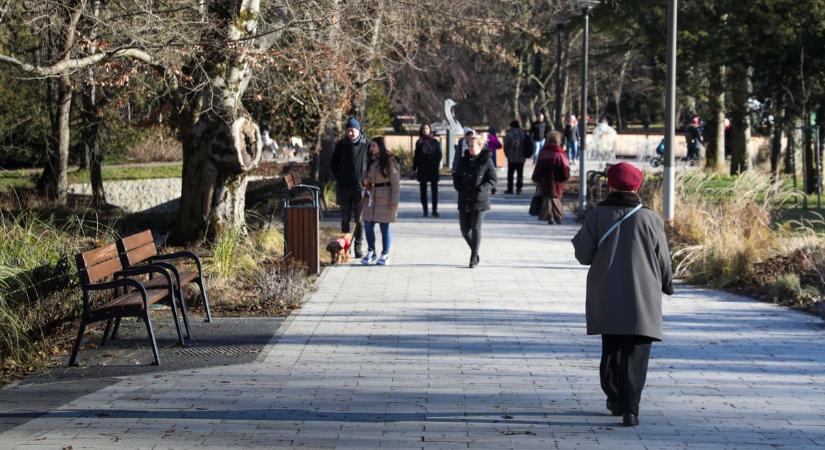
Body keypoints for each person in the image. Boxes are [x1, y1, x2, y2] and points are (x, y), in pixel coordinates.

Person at [571, 162, 674, 427]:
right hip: (643, 296)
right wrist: (667, 283)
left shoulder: (597, 215)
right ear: (637, 186)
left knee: (612, 349)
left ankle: (614, 398)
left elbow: (583, 255)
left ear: (611, 185)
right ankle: (631, 408)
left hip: (606, 293)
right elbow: (663, 258)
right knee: (636, 354)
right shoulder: (650, 218)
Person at [453, 135, 497, 268]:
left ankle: (473, 256)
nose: (470, 148)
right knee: (464, 230)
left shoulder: (487, 161)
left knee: (476, 228)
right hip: (464, 198)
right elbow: (457, 176)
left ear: (480, 146)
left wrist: (482, 189)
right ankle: (475, 251)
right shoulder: (463, 160)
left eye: (473, 145)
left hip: (479, 200)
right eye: (469, 145)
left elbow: (493, 179)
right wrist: (458, 186)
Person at [329, 116, 369, 258]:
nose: (350, 133)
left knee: (359, 219)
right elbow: (333, 163)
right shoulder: (341, 144)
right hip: (344, 187)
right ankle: (345, 247)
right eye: (348, 131)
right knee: (345, 218)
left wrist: (367, 179)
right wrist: (339, 176)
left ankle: (358, 246)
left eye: (352, 130)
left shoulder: (366, 145)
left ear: (358, 130)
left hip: (360, 187)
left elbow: (371, 163)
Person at [361, 137, 400, 266]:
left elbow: (395, 183)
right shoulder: (370, 161)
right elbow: (364, 177)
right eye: (370, 146)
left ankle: (385, 253)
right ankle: (371, 251)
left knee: (384, 227)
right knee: (367, 225)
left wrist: (394, 203)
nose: (371, 148)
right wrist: (364, 182)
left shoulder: (390, 161)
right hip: (371, 197)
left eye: (374, 146)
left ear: (380, 147)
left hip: (385, 196)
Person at [531, 131, 569, 224]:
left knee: (547, 197)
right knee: (555, 197)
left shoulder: (544, 152)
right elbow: (565, 167)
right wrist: (566, 176)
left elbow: (538, 166)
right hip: (557, 180)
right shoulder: (560, 153)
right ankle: (557, 216)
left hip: (545, 179)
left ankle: (550, 216)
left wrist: (536, 177)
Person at [412, 124, 442, 217]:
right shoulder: (419, 142)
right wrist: (414, 168)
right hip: (422, 168)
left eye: (427, 128)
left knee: (434, 191)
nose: (425, 130)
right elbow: (416, 155)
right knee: (423, 191)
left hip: (433, 168)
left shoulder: (435, 141)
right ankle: (425, 210)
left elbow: (439, 155)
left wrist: (436, 164)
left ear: (430, 129)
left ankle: (434, 210)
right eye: (424, 128)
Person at [503, 120, 528, 195]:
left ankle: (510, 189)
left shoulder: (509, 133)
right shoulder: (523, 133)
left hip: (512, 157)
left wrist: (507, 154)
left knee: (510, 174)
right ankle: (519, 188)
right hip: (521, 157)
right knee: (520, 173)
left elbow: (506, 145)